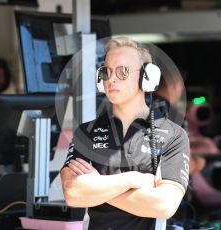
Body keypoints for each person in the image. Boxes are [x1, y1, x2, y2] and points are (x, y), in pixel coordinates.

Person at [60, 37, 190, 230]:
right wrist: (131, 180)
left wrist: (97, 187)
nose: (111, 78)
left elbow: (164, 205)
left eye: (123, 71)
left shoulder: (173, 135)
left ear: (146, 77)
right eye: (106, 71)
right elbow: (73, 194)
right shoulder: (86, 132)